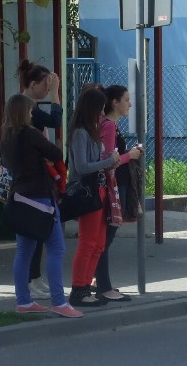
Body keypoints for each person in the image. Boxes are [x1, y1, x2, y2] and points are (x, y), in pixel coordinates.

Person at [1, 94, 82, 318]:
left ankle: (23, 301)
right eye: (30, 111)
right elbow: (56, 154)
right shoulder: (30, 134)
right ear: (23, 113)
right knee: (56, 248)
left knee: (24, 251)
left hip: (19, 198)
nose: (31, 114)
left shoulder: (7, 137)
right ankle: (59, 301)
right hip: (41, 199)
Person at [67, 87, 121, 307]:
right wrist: (108, 161)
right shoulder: (80, 132)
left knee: (98, 243)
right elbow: (81, 166)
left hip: (98, 190)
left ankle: (86, 286)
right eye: (99, 108)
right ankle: (78, 289)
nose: (102, 113)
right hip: (87, 191)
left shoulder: (90, 131)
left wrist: (109, 161)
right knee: (88, 242)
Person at [18, 60, 64, 299]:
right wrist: (56, 95)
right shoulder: (27, 108)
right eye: (45, 86)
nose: (48, 91)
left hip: (30, 179)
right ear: (33, 84)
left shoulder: (27, 106)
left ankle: (33, 278)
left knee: (33, 237)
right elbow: (55, 122)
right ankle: (29, 281)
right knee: (33, 235)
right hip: (32, 180)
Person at [93, 85, 143, 302]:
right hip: (113, 185)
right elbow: (108, 162)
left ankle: (97, 279)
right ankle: (103, 285)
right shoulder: (109, 126)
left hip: (114, 184)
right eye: (126, 100)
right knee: (106, 237)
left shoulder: (109, 125)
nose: (129, 104)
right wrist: (129, 156)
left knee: (104, 237)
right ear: (114, 102)